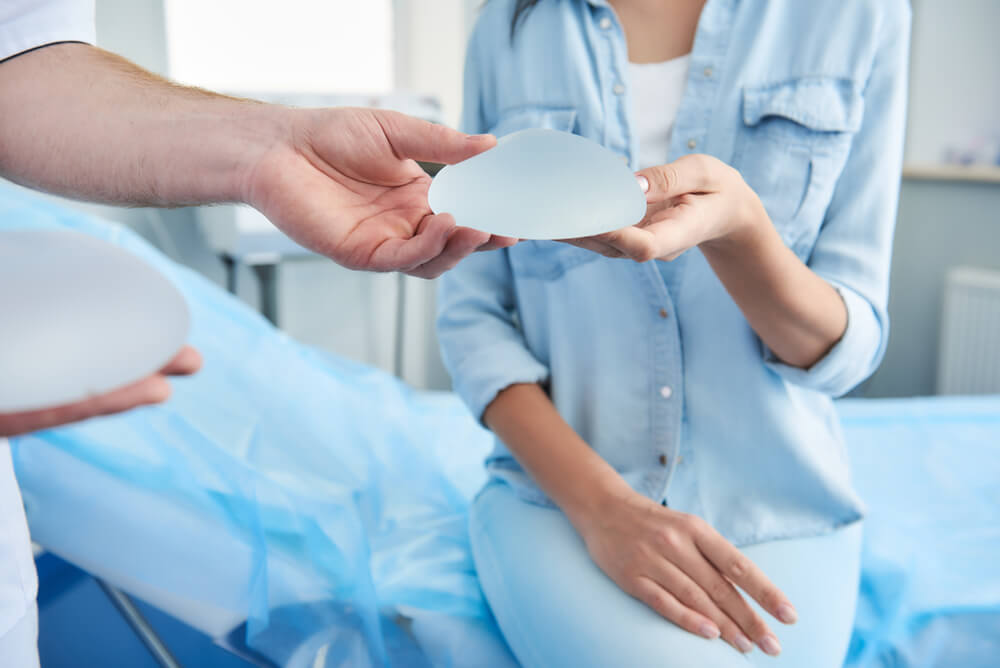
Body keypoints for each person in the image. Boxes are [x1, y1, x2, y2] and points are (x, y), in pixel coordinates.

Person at [437, 0, 909, 666]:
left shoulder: (861, 17)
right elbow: (472, 319)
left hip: (783, 505)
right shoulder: (509, 27)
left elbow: (846, 348)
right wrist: (604, 509)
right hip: (562, 501)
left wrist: (743, 232)